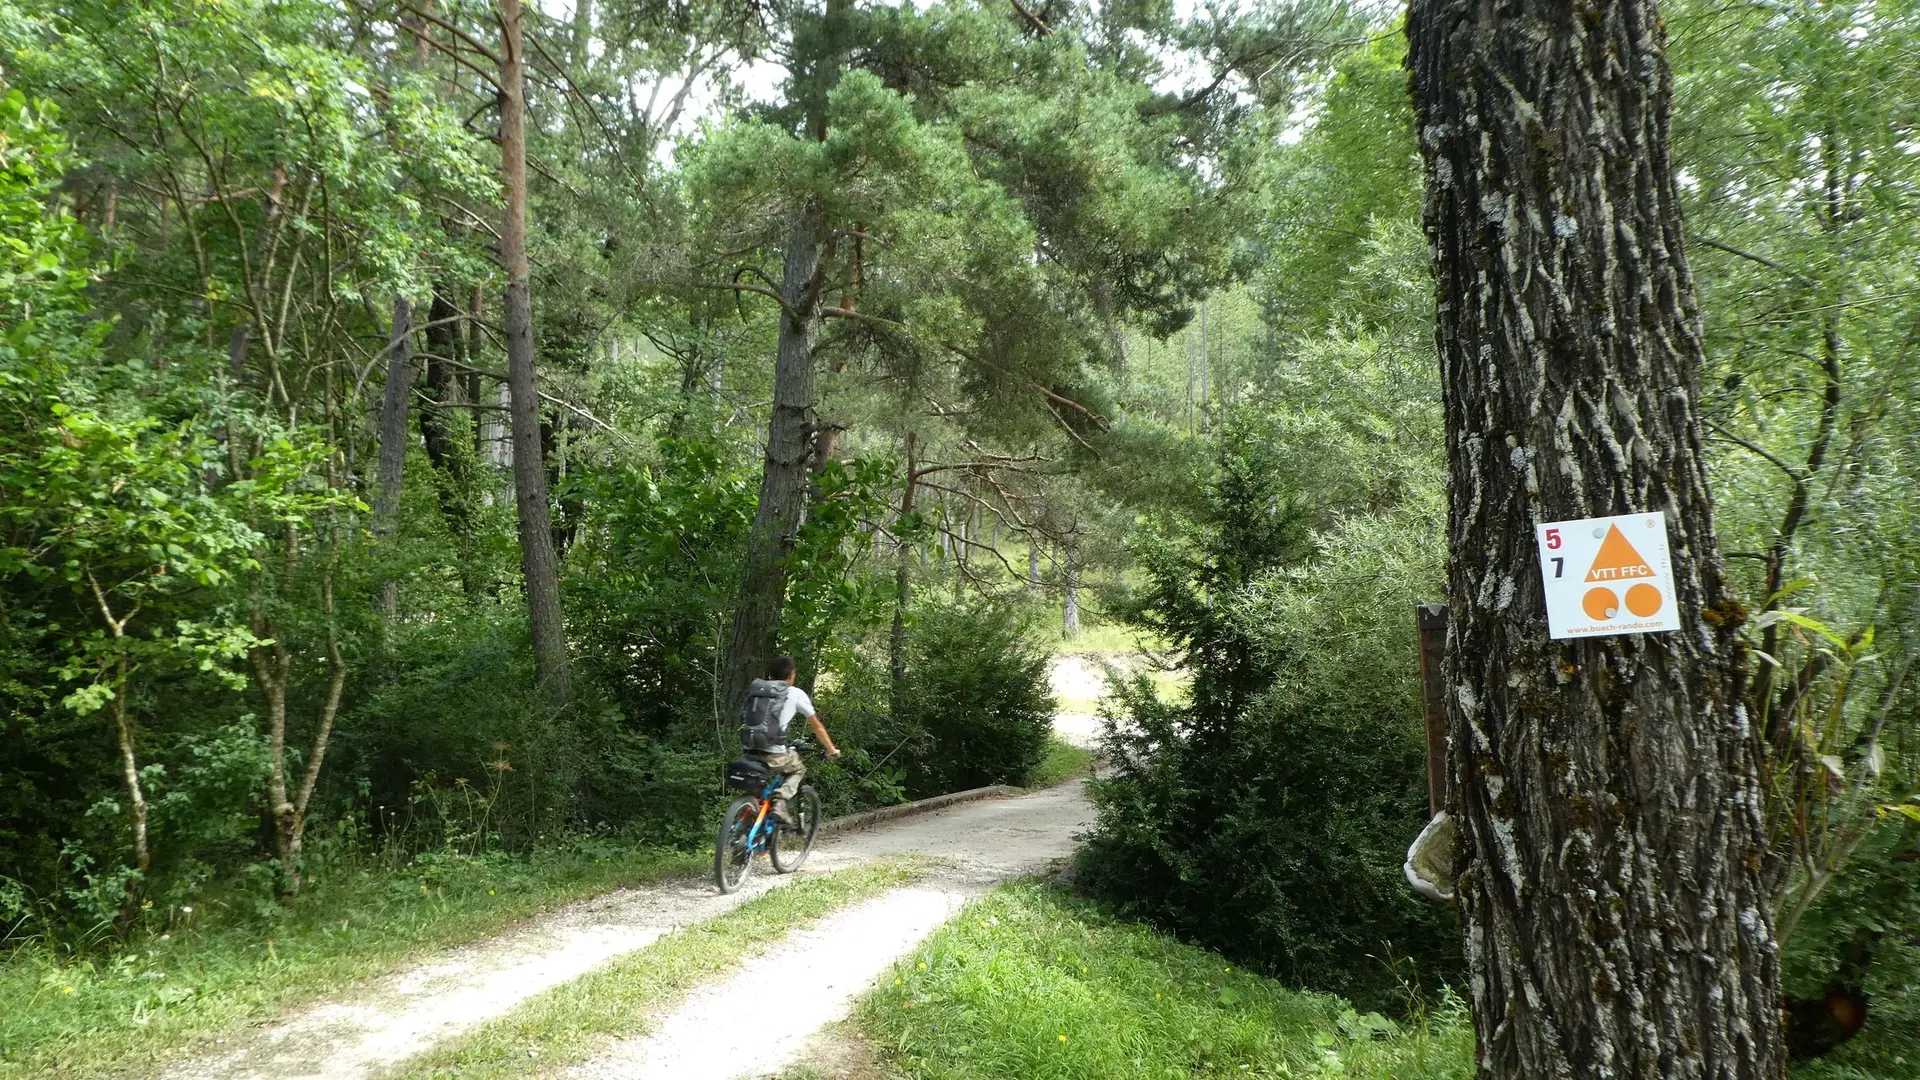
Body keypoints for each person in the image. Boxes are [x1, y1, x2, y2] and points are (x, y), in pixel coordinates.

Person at [749, 656, 840, 824]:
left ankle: (748, 822)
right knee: (798, 768)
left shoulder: (758, 689)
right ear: (791, 674)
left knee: (757, 792)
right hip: (774, 752)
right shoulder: (795, 693)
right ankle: (780, 802)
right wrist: (831, 749)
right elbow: (818, 727)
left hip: (749, 748)